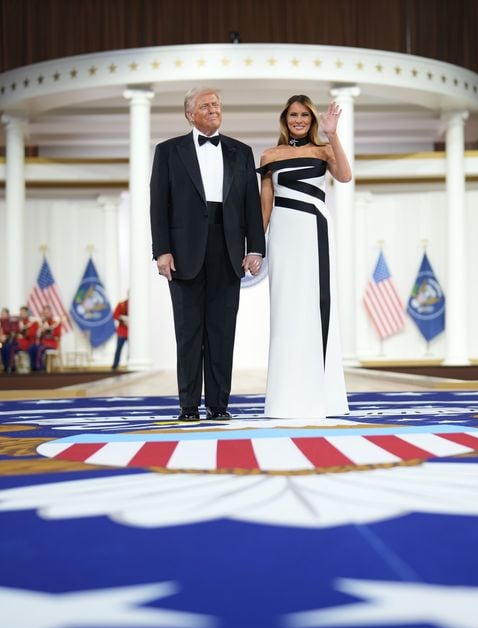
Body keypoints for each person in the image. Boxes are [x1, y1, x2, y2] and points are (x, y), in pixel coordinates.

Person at [150, 87, 265, 421]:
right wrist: (162, 252)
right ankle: (188, 406)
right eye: (206, 105)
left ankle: (219, 405)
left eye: (217, 104)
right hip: (183, 253)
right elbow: (159, 205)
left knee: (222, 331)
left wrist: (255, 248)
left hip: (228, 250)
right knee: (188, 333)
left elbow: (250, 206)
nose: (214, 109)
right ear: (190, 114)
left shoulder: (241, 151)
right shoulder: (168, 151)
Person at [258, 94, 351, 418]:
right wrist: (256, 246)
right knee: (286, 310)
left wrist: (333, 133)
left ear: (312, 120)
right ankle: (285, 398)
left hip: (315, 230)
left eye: (304, 116)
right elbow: (265, 205)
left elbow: (345, 176)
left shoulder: (324, 150)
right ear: (285, 119)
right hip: (283, 235)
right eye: (293, 115)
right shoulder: (269, 155)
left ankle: (324, 397)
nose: (298, 120)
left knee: (315, 306)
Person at [111, 298, 129, 371]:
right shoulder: (122, 305)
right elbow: (115, 315)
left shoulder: (137, 305)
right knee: (118, 349)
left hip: (131, 333)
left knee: (132, 350)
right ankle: (115, 366)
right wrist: (122, 318)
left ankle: (130, 364)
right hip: (122, 331)